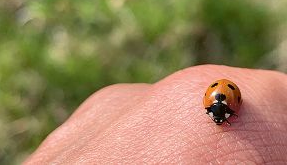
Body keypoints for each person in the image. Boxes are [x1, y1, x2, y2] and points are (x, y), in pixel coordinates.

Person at [24, 65, 287, 164]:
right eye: (219, 117)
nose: (220, 121)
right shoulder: (221, 105)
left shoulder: (224, 103)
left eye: (221, 118)